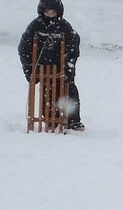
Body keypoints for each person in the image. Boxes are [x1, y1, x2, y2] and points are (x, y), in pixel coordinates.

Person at [19, 0, 85, 131]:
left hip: (60, 66)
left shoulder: (64, 27)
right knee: (47, 92)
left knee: (69, 90)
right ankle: (51, 117)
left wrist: (68, 68)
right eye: (47, 11)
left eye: (53, 11)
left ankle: (73, 120)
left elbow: (72, 47)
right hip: (42, 67)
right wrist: (29, 69)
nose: (50, 14)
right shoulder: (35, 26)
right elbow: (24, 48)